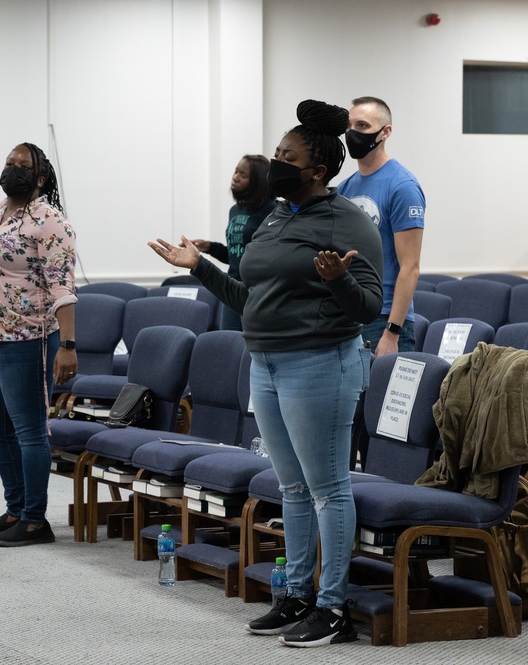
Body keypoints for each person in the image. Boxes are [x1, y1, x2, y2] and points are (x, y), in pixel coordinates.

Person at [148, 100, 382, 647]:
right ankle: (297, 596)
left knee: (328, 488)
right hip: (267, 362)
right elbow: (248, 297)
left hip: (321, 363)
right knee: (293, 486)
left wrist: (336, 282)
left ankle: (333, 607)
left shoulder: (348, 221)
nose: (275, 163)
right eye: (276, 153)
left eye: (286, 156)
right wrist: (200, 267)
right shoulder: (275, 217)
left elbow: (369, 307)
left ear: (317, 169)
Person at [0, 142, 78, 547]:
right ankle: (15, 508)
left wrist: (68, 344)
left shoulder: (50, 221)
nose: (12, 169)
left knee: (28, 430)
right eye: (9, 163)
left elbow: (63, 287)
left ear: (39, 178)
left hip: (26, 338)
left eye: (22, 166)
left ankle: (36, 520)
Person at [338, 96, 425, 356]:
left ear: (385, 132)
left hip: (383, 319)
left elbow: (410, 268)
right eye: (349, 126)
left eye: (362, 126)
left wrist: (392, 332)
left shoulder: (402, 186)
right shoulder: (344, 188)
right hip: (349, 316)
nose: (353, 133)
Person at [191, 155, 275, 330]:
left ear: (257, 181)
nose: (235, 177)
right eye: (236, 171)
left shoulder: (273, 212)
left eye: (242, 175)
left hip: (256, 293)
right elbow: (236, 255)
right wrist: (210, 247)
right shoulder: (235, 210)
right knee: (228, 344)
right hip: (230, 288)